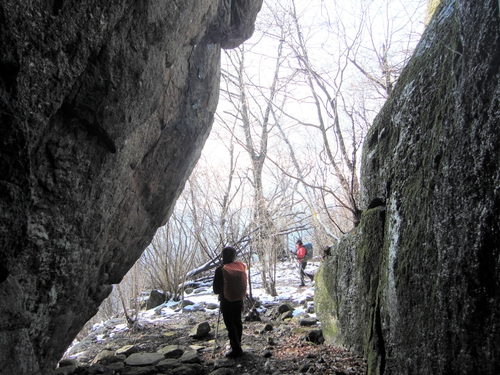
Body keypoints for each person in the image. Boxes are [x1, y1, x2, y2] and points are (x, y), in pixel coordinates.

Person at [213, 246, 247, 358]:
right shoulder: (239, 267)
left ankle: (236, 349)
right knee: (237, 322)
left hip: (226, 301)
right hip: (239, 299)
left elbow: (216, 290)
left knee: (230, 324)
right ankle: (237, 345)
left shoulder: (221, 269)